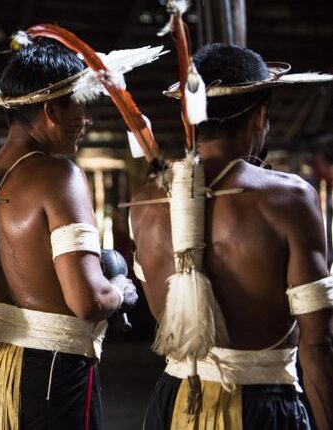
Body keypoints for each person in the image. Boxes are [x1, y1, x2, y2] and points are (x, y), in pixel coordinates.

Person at [132, 43, 333, 429]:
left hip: (174, 402)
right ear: (260, 116)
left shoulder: (145, 201)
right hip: (262, 408)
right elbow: (317, 344)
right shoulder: (289, 198)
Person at [0, 38, 137, 430]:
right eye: (82, 106)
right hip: (53, 376)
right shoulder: (59, 177)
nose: (88, 121)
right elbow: (87, 300)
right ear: (51, 109)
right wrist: (120, 287)